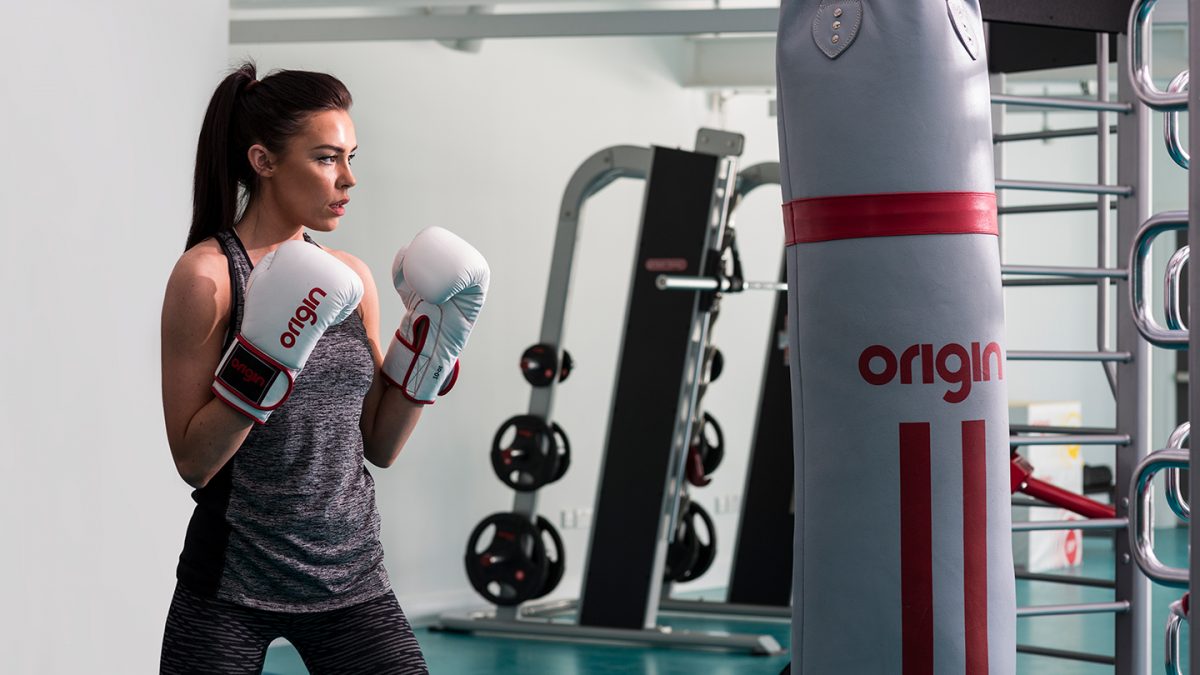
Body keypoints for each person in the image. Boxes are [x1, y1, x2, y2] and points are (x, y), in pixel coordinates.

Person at [159, 61, 488, 674]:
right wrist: (263, 359)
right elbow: (192, 461)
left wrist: (429, 352)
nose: (349, 178)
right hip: (231, 583)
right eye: (327, 158)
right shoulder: (207, 277)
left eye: (350, 157)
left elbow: (378, 445)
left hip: (351, 577)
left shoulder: (351, 278)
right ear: (263, 161)